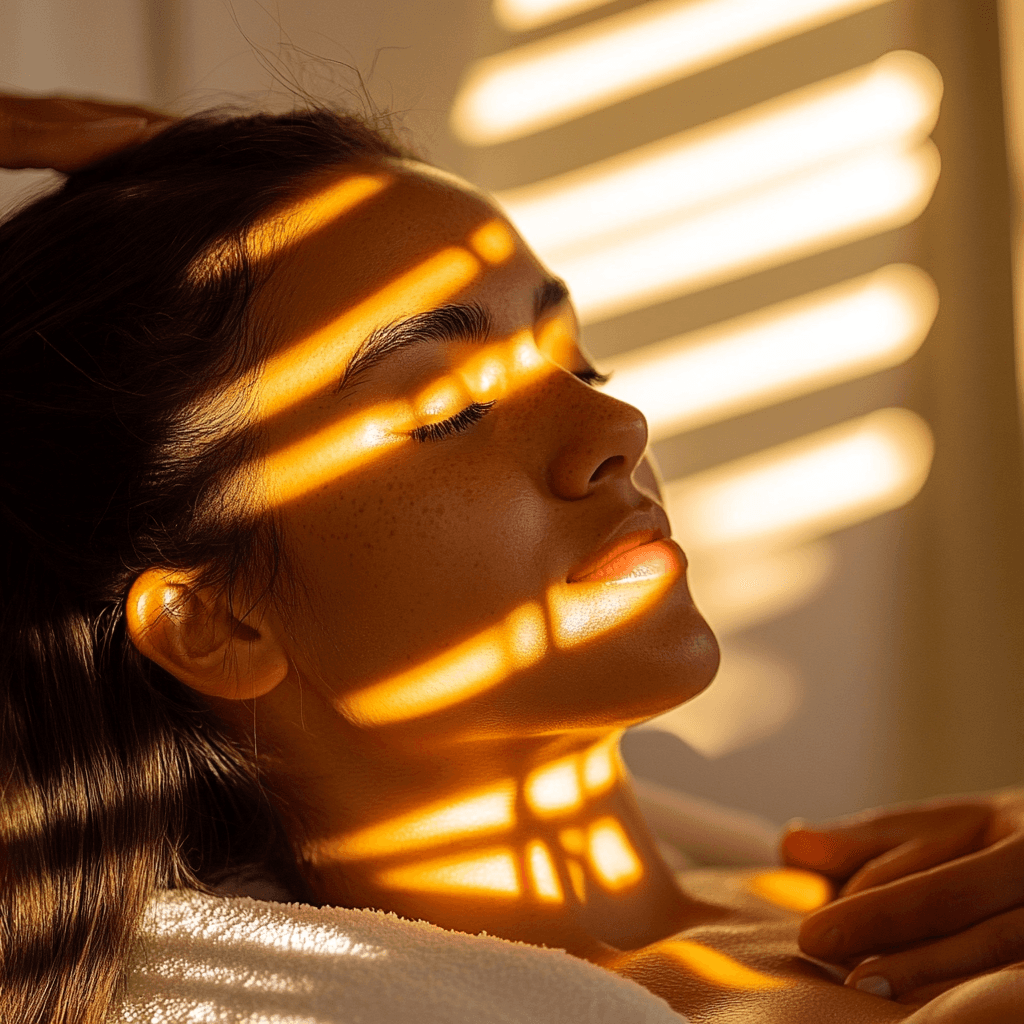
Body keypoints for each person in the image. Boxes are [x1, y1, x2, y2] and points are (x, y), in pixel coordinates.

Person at [1, 93, 1022, 1024]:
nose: (616, 423)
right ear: (213, 620)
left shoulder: (920, 899)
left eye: (575, 361)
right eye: (450, 409)